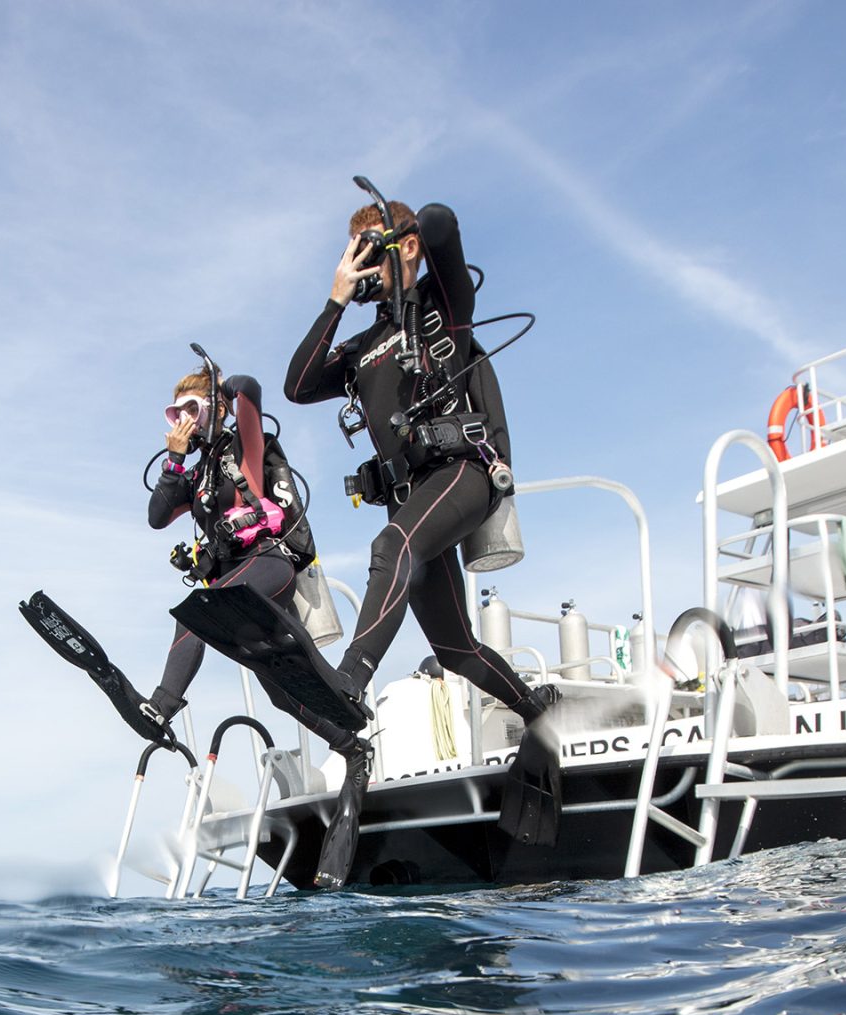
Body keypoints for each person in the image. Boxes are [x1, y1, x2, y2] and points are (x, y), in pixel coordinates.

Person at [285, 194, 560, 880]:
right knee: (457, 648)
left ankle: (347, 686)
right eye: (361, 252)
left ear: (403, 248)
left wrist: (404, 238)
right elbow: (295, 385)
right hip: (410, 503)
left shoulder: (446, 304)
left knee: (389, 548)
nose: (370, 264)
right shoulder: (362, 343)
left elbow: (441, 222)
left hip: (463, 474)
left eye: (377, 249)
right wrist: (337, 297)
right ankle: (536, 708)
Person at [139, 365, 340, 739]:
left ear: (215, 408)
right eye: (176, 413)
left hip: (267, 564)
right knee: (279, 691)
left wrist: (220, 389)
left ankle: (162, 707)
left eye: (191, 410)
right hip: (233, 582)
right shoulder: (196, 478)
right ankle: (350, 746)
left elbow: (249, 387)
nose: (184, 420)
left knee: (196, 612)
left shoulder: (242, 449)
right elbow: (157, 517)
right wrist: (174, 461)